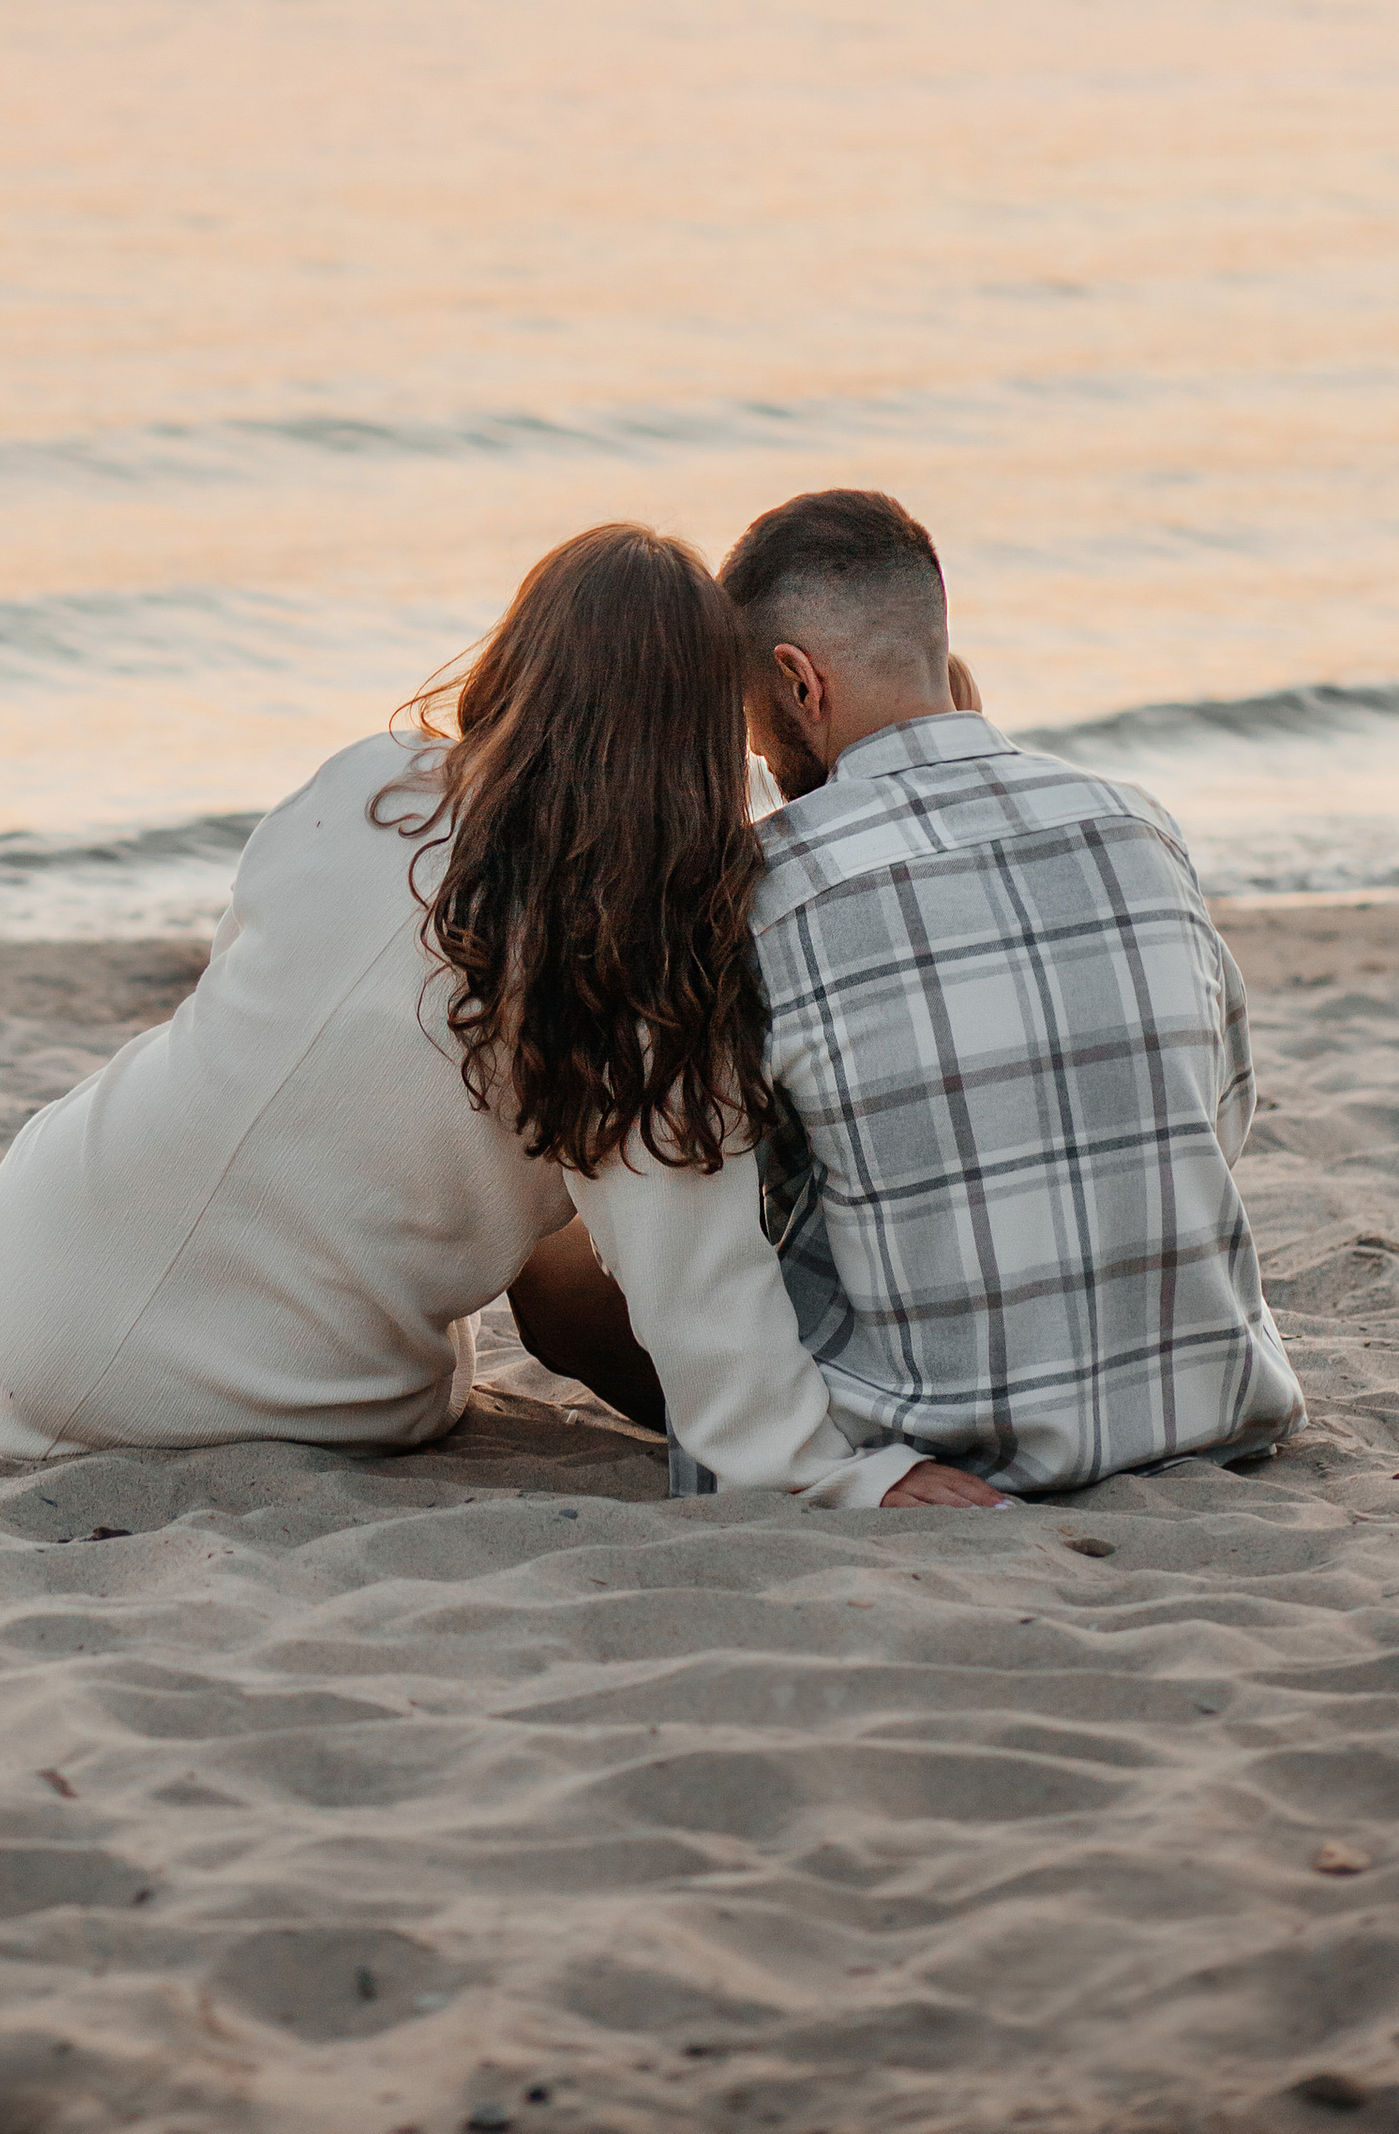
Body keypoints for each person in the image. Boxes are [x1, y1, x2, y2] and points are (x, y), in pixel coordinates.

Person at [0, 522, 998, 1510]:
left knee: (237, 1118)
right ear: (699, 736)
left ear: (519, 657)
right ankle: (5, 1365)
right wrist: (853, 1476)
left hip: (38, 1225)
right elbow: (703, 1300)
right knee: (444, 1365)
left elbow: (255, 1002)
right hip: (250, 1392)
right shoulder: (643, 977)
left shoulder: (359, 784)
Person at [513, 488, 1304, 1494]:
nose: (755, 751)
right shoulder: (1133, 821)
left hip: (940, 1446)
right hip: (1211, 1403)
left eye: (754, 716)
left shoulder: (763, 884)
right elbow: (1218, 1114)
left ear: (798, 683)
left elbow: (700, 1198)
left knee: (562, 1276)